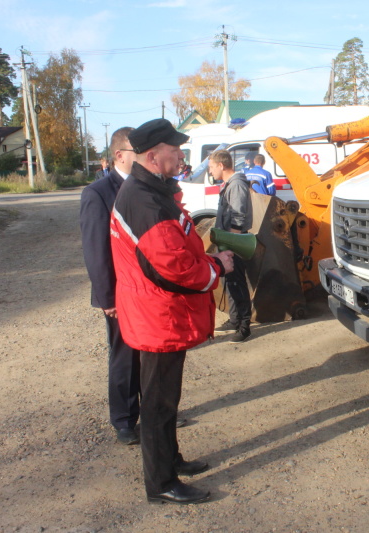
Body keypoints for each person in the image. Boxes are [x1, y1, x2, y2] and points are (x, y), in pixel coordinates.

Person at [110, 118, 235, 505]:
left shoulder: (150, 191)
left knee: (164, 399)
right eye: (175, 149)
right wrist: (217, 267)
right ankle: (161, 482)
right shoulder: (146, 201)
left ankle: (171, 460)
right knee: (160, 403)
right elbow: (175, 268)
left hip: (157, 314)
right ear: (153, 155)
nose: (181, 155)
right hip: (158, 318)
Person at [80, 127, 144, 446]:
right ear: (120, 155)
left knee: (151, 354)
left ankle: (155, 411)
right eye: (139, 152)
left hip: (147, 291)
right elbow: (96, 250)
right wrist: (107, 297)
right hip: (119, 292)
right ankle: (124, 419)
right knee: (125, 356)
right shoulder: (98, 193)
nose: (145, 158)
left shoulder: (147, 188)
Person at [210, 149, 253, 343]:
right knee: (230, 282)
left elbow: (238, 215)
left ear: (221, 165)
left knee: (238, 283)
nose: (210, 171)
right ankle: (235, 319)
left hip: (234, 242)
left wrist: (232, 244)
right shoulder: (229, 184)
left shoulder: (236, 185)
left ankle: (244, 326)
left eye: (211, 167)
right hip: (228, 241)